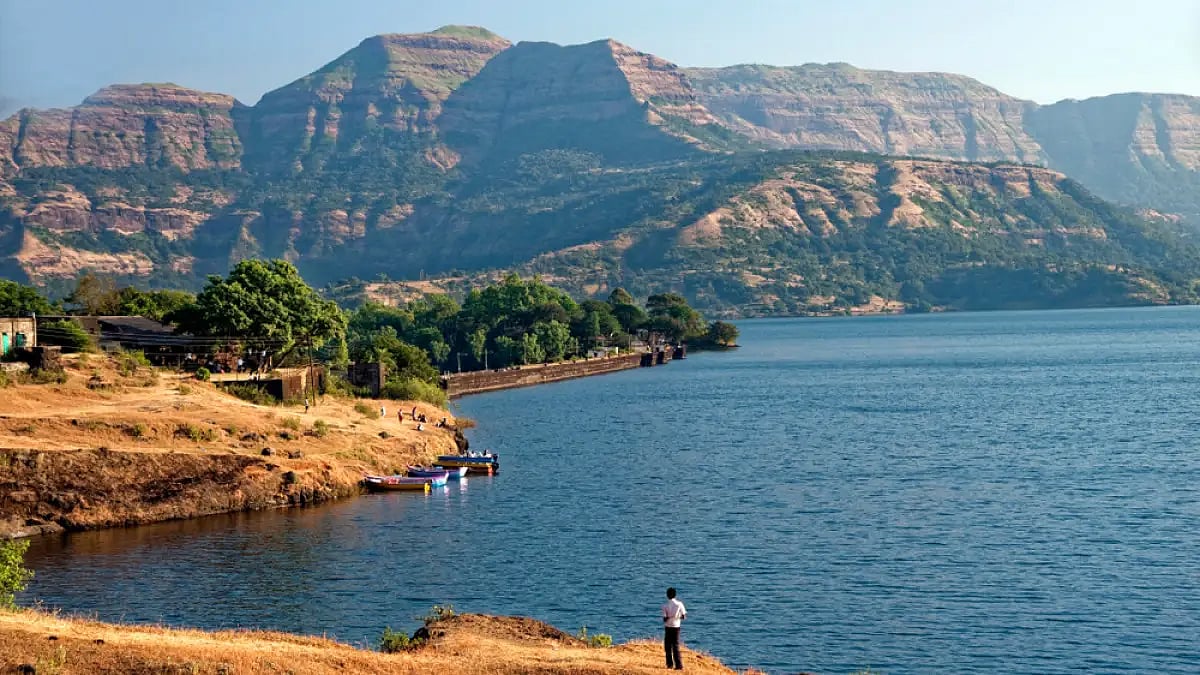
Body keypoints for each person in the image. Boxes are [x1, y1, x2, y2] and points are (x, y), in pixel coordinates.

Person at [661, 587, 686, 670]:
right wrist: (677, 616)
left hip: (668, 627)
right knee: (676, 646)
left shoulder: (665, 606)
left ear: (667, 595)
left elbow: (664, 619)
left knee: (667, 647)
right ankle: (679, 665)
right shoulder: (680, 604)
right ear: (675, 595)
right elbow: (684, 616)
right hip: (676, 627)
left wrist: (669, 617)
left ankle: (669, 665)